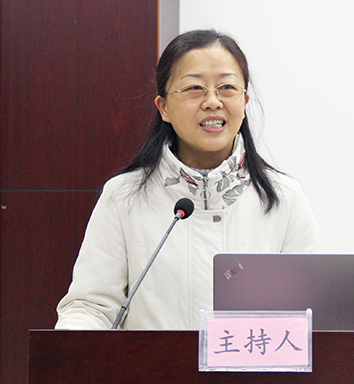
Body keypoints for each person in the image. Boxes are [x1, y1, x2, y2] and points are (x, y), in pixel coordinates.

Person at [55, 29, 321, 330]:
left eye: (227, 88)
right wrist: (70, 343)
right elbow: (91, 307)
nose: (212, 102)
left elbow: (311, 313)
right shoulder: (123, 198)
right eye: (195, 88)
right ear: (164, 107)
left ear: (244, 101)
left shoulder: (284, 199)